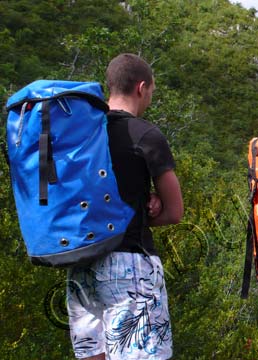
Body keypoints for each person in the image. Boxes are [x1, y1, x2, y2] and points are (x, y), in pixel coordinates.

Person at [66, 53, 183, 360]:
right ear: (141, 87)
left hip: (81, 266)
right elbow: (175, 211)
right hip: (129, 267)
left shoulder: (81, 133)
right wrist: (144, 212)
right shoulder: (145, 135)